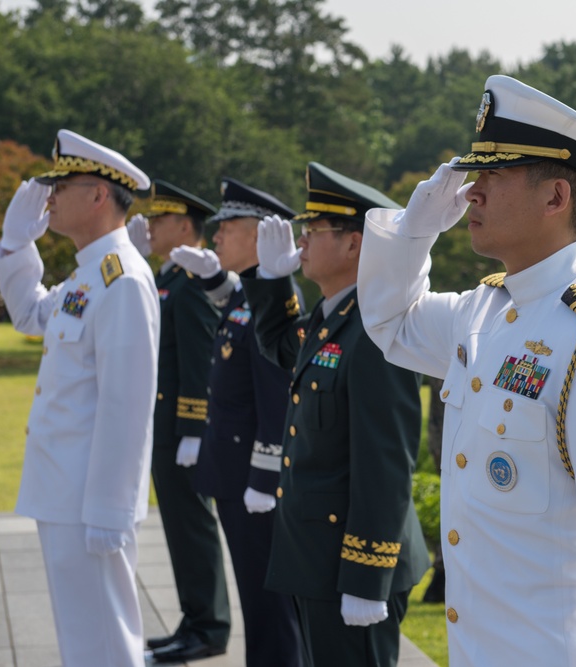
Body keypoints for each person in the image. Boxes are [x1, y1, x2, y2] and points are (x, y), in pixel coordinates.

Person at [356, 75, 576, 666]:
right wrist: (414, 234)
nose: (471, 193)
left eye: (493, 174)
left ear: (556, 197)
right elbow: (391, 323)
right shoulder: (483, 310)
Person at [238, 163, 430, 667]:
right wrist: (274, 282)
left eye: (313, 230)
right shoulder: (331, 317)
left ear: (355, 245)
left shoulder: (373, 332)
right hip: (318, 558)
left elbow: (386, 462)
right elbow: (283, 347)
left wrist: (367, 576)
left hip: (354, 564)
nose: (301, 241)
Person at [0, 129, 158, 667]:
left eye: (63, 184)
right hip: (66, 491)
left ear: (99, 195)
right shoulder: (90, 275)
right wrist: (16, 247)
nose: (50, 197)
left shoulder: (123, 279)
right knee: (83, 637)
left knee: (106, 638)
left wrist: (111, 508)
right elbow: (30, 315)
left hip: (90, 501)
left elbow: (126, 406)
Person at [159, 178, 303, 666]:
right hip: (234, 469)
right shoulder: (250, 295)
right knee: (256, 596)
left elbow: (274, 400)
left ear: (260, 235)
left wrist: (264, 479)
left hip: (253, 480)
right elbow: (236, 320)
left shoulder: (275, 301)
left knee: (270, 605)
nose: (215, 237)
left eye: (228, 228)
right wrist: (214, 282)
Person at [124, 181, 232, 662]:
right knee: (180, 530)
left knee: (193, 529)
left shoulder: (190, 287)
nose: (148, 227)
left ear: (185, 227)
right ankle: (194, 618)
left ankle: (209, 626)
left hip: (180, 432)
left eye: (159, 220)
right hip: (163, 429)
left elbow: (199, 364)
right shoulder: (166, 280)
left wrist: (193, 430)